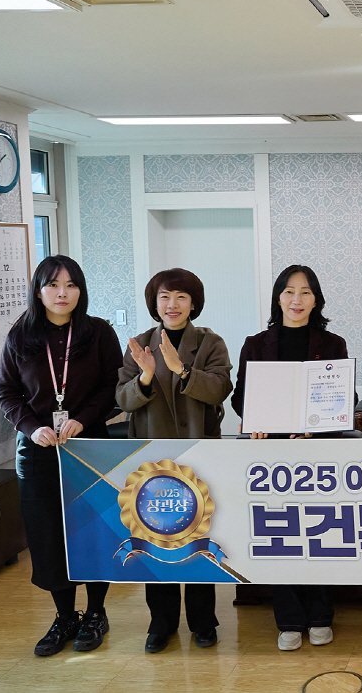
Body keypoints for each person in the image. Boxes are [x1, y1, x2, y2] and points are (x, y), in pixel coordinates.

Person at [0, 256, 122, 656]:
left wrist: (83, 419)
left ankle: (96, 612)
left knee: (95, 529)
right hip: (39, 451)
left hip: (90, 447)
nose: (62, 293)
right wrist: (32, 427)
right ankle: (65, 615)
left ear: (81, 290)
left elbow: (113, 387)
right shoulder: (20, 335)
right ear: (38, 291)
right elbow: (7, 393)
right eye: (53, 285)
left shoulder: (98, 333)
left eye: (71, 285)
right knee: (49, 534)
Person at [231, 265, 348, 652]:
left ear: (316, 300)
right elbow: (241, 398)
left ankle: (321, 614)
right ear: (278, 297)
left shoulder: (333, 344)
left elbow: (342, 400)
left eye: (306, 292)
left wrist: (317, 428)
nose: (297, 299)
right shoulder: (255, 344)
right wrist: (255, 421)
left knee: (320, 533)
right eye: (289, 291)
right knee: (281, 535)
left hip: (316, 453)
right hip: (273, 455)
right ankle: (289, 619)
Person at [117, 268, 232, 653]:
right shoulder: (139, 345)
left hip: (199, 455)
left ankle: (203, 622)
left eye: (181, 297)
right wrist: (146, 376)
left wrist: (182, 369)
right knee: (156, 537)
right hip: (153, 460)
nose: (172, 304)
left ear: (193, 303)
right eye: (165, 297)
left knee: (199, 535)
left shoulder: (210, 342)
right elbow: (122, 398)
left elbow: (220, 389)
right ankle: (160, 624)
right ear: (155, 303)